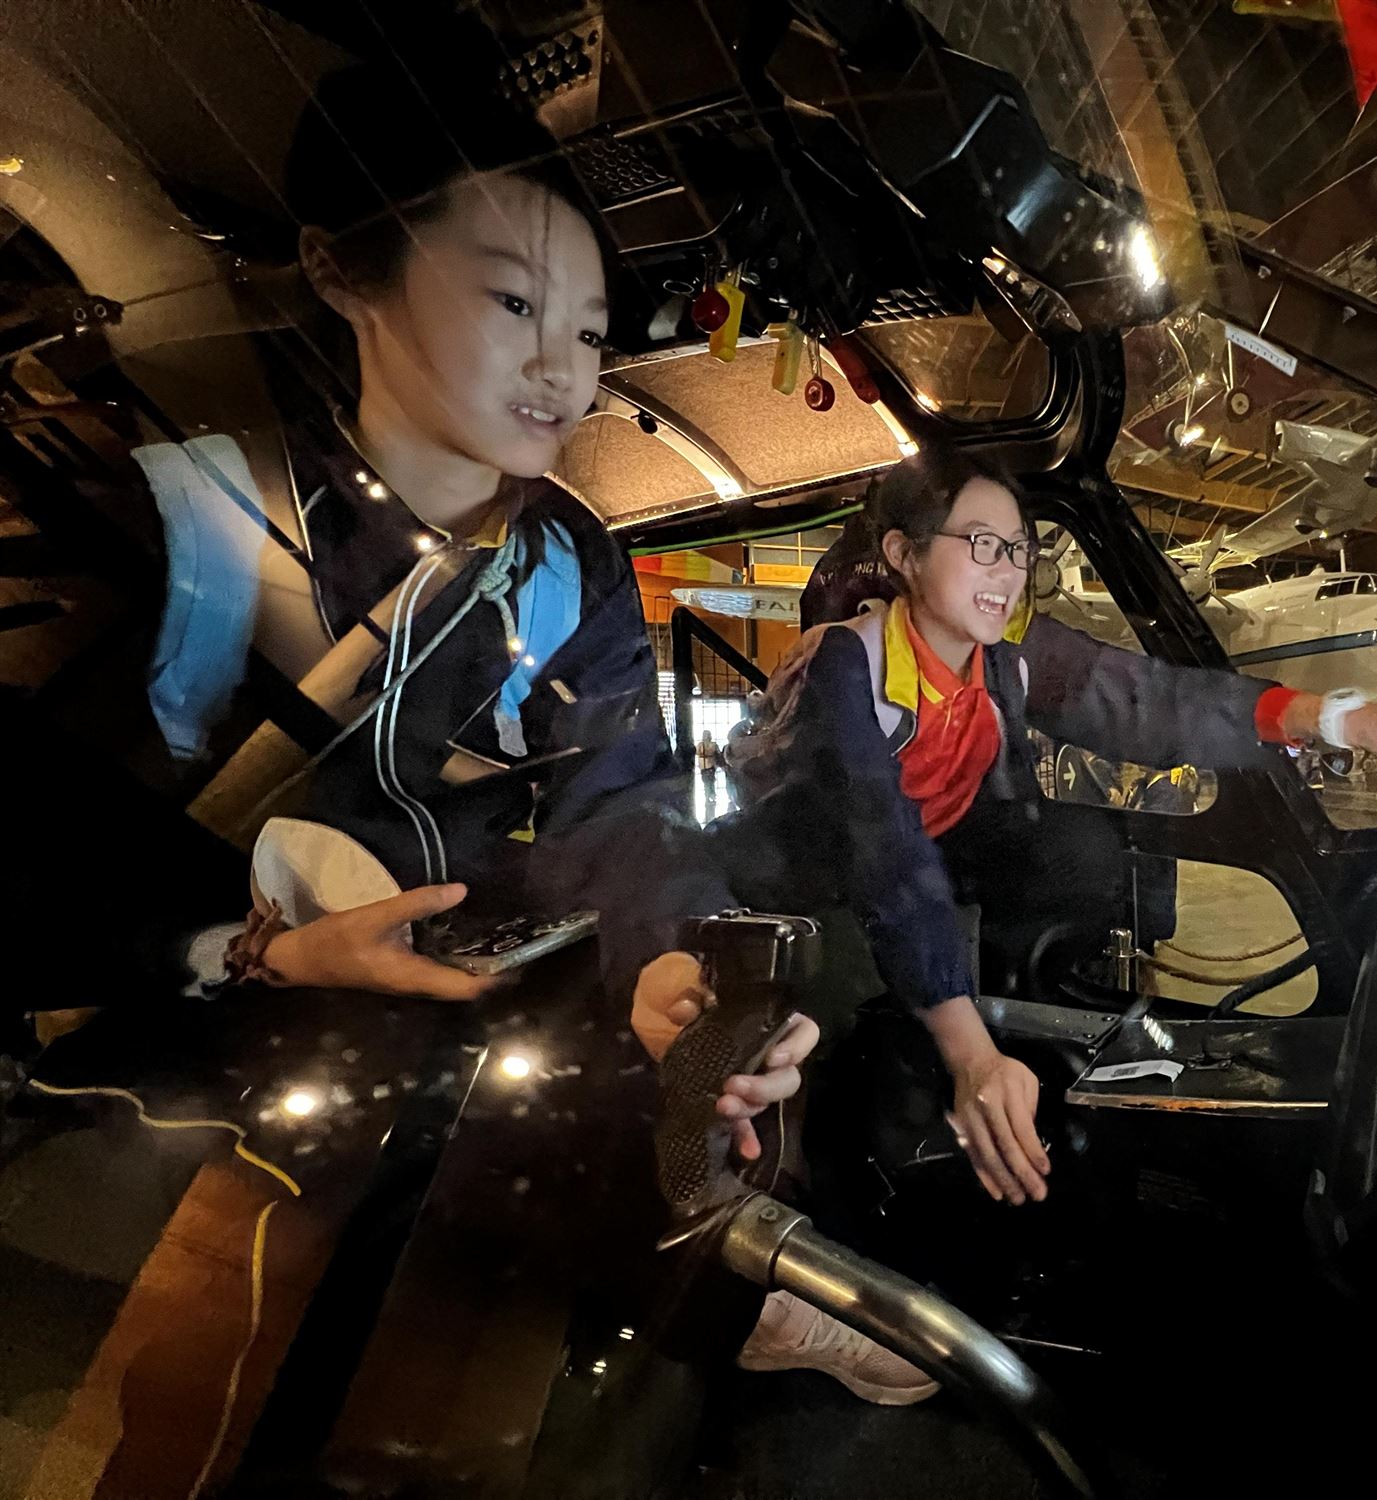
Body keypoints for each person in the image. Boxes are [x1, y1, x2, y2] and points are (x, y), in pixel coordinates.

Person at [7, 61, 933, 1404]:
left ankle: (737, 1281)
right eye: (512, 303)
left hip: (456, 996)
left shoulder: (569, 555)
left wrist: (668, 957)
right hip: (210, 1025)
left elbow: (622, 802)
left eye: (591, 331)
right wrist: (255, 949)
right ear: (341, 273)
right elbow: (51, 835)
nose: (564, 369)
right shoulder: (193, 522)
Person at [725, 448, 1377, 1208]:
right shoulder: (846, 664)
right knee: (837, 1041)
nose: (1007, 571)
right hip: (818, 880)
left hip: (934, 844)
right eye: (983, 544)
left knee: (1082, 851)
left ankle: (1033, 1036)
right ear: (904, 554)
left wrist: (1352, 719)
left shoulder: (1004, 656)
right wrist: (969, 1055)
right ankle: (809, 1193)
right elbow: (884, 850)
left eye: (1019, 549)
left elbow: (1147, 700)